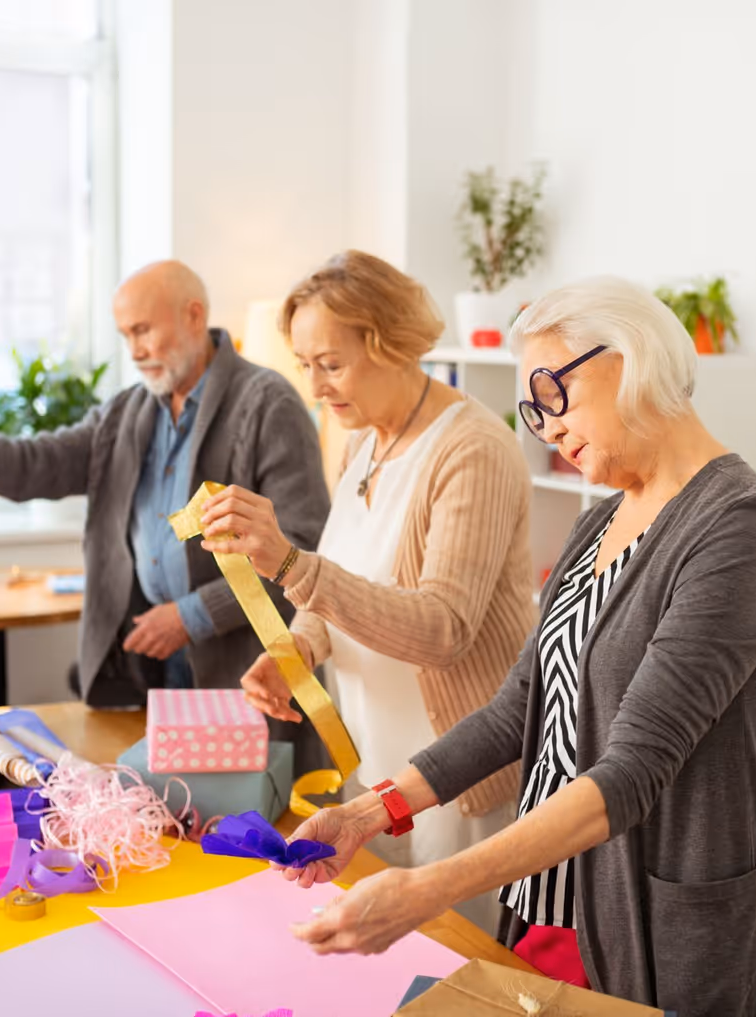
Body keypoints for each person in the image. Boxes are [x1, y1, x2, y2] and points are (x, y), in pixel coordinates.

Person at [274, 276, 756, 1017]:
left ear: (627, 360)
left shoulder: (742, 529)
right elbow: (515, 710)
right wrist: (373, 812)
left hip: (661, 920)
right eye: (532, 408)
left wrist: (427, 891)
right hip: (555, 906)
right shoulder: (600, 523)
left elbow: (628, 774)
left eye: (553, 393)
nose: (545, 428)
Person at [200, 250, 534, 929]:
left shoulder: (472, 449)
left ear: (392, 343)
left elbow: (444, 630)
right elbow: (348, 578)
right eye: (307, 366)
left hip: (460, 788)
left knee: (456, 972)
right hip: (376, 773)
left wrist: (288, 563)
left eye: (332, 363)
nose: (317, 388)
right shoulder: (363, 444)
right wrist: (296, 650)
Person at [0, 260, 329, 722]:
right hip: (151, 668)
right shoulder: (124, 412)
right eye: (125, 336)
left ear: (194, 316)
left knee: (244, 795)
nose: (134, 351)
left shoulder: (269, 404)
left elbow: (303, 549)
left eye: (143, 330)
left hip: (244, 671)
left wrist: (190, 616)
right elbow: (31, 466)